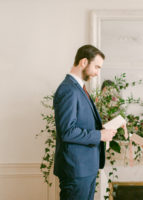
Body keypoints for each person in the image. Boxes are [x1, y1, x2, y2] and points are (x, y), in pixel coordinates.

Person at [53, 44, 117, 200]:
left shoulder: (79, 89)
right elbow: (67, 132)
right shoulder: (68, 89)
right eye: (96, 67)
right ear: (83, 62)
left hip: (85, 169)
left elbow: (84, 124)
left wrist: (106, 129)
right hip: (76, 171)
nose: (97, 72)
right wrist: (100, 136)